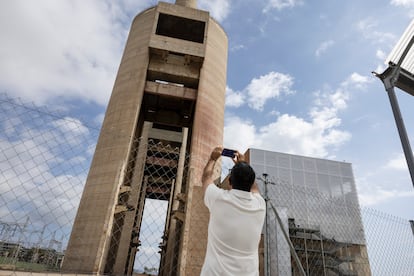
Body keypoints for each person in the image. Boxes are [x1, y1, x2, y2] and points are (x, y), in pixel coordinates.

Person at [200, 146, 266, 276]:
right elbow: (254, 187)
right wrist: (243, 164)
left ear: (229, 182)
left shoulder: (218, 198)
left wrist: (213, 158)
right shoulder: (260, 205)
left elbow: (206, 177)